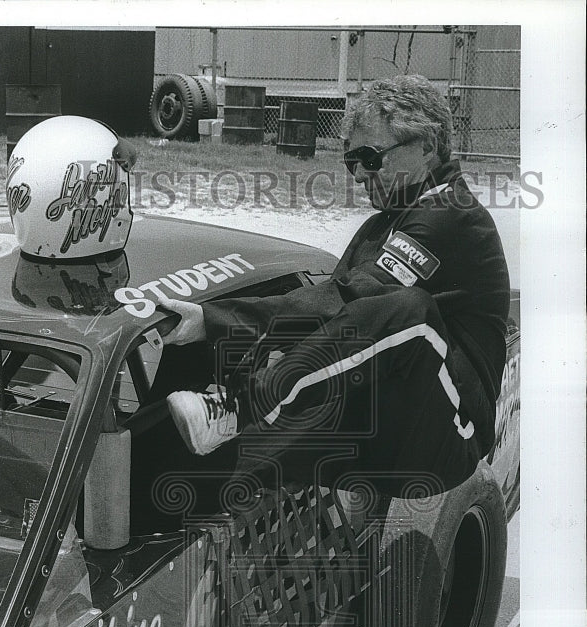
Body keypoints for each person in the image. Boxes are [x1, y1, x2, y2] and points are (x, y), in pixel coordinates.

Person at [157, 74, 510, 497]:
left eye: (370, 157)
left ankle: (241, 407)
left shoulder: (453, 216)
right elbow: (327, 317)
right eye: (350, 160)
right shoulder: (379, 227)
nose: (358, 174)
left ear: (427, 147)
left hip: (449, 439)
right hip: (383, 423)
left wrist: (214, 319)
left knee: (407, 310)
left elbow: (348, 300)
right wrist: (218, 334)